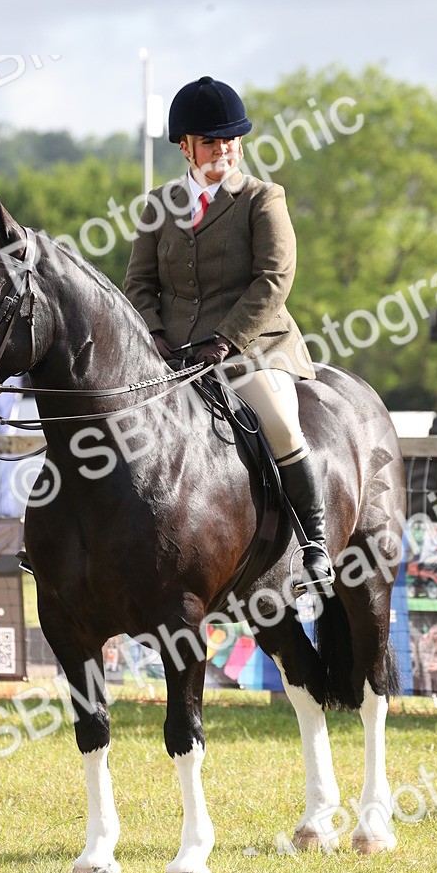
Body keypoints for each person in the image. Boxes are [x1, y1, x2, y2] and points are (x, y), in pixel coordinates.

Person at [123, 76, 333, 593]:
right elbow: (138, 283)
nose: (224, 150)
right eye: (212, 141)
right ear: (186, 147)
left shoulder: (263, 197)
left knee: (281, 423)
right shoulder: (160, 204)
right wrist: (153, 333)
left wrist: (227, 339)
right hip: (171, 353)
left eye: (231, 140)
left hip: (254, 346)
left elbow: (275, 279)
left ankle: (315, 545)